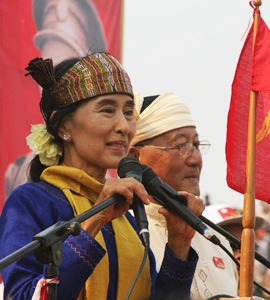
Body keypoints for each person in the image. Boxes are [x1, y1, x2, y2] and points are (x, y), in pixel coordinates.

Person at [0, 53, 203, 300]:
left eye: (129, 112)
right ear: (63, 126)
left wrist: (179, 245)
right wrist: (93, 222)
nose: (124, 126)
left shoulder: (127, 218)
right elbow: (21, 295)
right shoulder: (32, 202)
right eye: (107, 110)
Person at [129, 92, 239, 299]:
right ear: (135, 156)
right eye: (180, 146)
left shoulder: (218, 241)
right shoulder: (125, 231)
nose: (195, 159)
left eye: (196, 146)